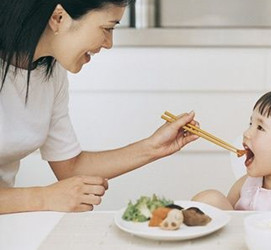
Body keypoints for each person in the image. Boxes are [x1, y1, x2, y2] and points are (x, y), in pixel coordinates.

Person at [0, 0, 199, 214]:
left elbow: (71, 168)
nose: (109, 43)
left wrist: (153, 147)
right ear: (59, 18)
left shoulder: (51, 72)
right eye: (107, 28)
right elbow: (56, 189)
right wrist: (44, 197)